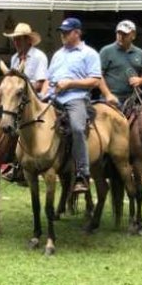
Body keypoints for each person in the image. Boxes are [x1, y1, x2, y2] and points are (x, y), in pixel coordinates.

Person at [46, 16, 101, 194]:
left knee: (77, 128)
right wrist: (43, 95)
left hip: (76, 98)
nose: (63, 35)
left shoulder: (90, 53)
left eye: (66, 32)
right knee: (28, 117)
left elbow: (94, 81)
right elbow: (48, 79)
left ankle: (82, 174)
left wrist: (70, 84)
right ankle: (19, 165)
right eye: (62, 32)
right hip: (53, 98)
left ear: (77, 33)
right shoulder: (57, 54)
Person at [0, 22, 48, 182]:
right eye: (15, 39)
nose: (16, 42)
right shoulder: (14, 58)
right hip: (17, 100)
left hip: (35, 99)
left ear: (28, 40)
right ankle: (13, 163)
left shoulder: (39, 56)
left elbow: (40, 83)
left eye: (19, 39)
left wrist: (21, 88)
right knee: (5, 121)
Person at [98, 19, 142, 114]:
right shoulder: (106, 51)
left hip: (132, 101)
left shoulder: (140, 53)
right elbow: (98, 76)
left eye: (125, 34)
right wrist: (108, 95)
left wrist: (141, 80)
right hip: (111, 100)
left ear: (133, 35)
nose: (121, 37)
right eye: (119, 33)